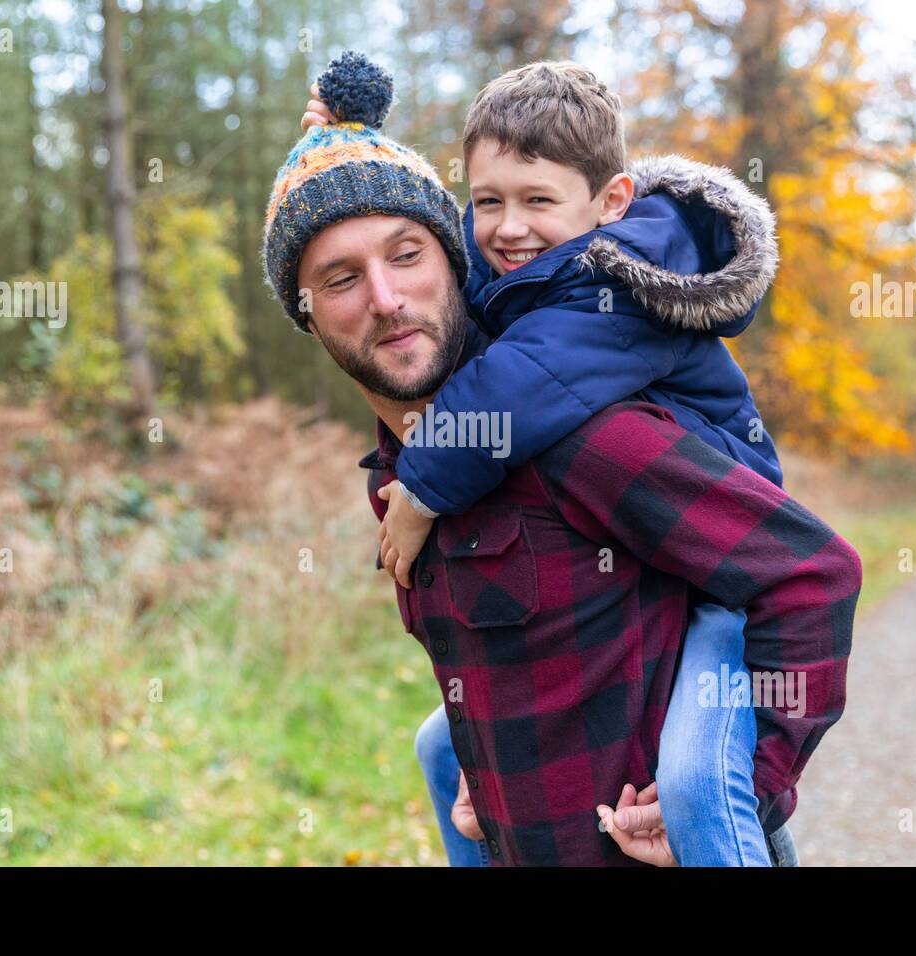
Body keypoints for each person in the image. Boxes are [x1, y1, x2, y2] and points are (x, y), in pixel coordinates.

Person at [265, 51, 859, 865]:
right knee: (439, 749)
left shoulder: (583, 416)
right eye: (339, 277)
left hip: (719, 613)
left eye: (407, 255)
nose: (386, 296)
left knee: (694, 777)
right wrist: (491, 768)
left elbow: (810, 573)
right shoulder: (419, 462)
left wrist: (736, 792)